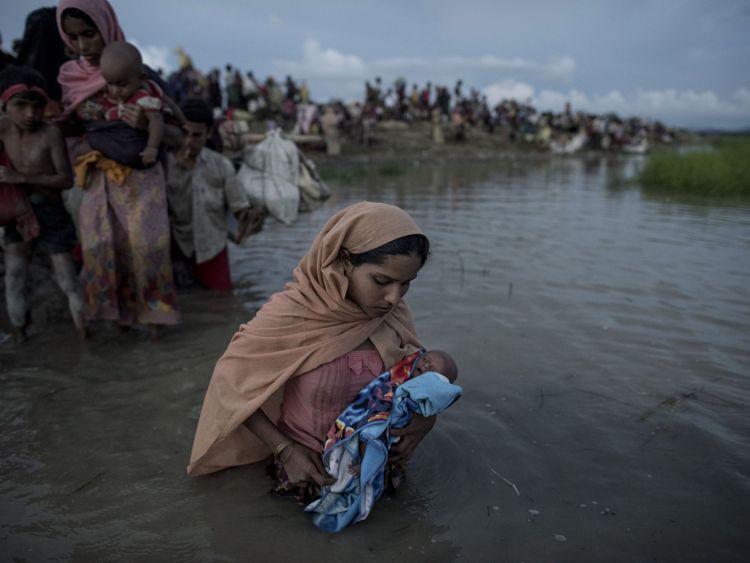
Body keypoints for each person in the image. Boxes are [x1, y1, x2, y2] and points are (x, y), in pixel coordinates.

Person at [188, 202, 441, 502]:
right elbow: (229, 385)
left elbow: (416, 377)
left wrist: (428, 417)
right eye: (381, 281)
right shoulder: (294, 313)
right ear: (344, 260)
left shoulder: (393, 314)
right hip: (303, 475)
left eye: (406, 284)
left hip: (377, 473)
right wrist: (285, 451)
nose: (393, 297)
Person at [56, 0, 180, 338]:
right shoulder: (70, 78)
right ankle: (117, 332)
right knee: (103, 250)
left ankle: (156, 333)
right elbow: (65, 128)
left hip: (141, 181)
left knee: (147, 251)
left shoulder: (138, 75)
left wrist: (145, 124)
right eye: (73, 37)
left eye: (89, 34)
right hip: (98, 180)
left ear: (106, 27)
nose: (82, 46)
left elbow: (178, 134)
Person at [0, 65, 84, 341]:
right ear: (4, 105)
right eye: (20, 105)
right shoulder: (2, 131)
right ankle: (20, 335)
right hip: (18, 212)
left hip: (51, 210)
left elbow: (65, 180)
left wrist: (19, 176)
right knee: (14, 275)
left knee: (68, 279)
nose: (29, 114)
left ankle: (84, 335)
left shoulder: (50, 134)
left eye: (36, 105)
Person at [166, 98, 264, 291]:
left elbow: (239, 207)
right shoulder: (164, 164)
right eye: (184, 133)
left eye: (196, 135)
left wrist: (250, 217)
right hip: (175, 247)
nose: (188, 141)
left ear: (209, 133)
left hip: (212, 248)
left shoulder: (220, 165)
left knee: (221, 301)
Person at [96, 41, 163, 166]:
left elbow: (156, 120)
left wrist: (152, 147)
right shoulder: (110, 96)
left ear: (141, 78)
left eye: (122, 85)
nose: (115, 90)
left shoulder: (142, 98)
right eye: (110, 84)